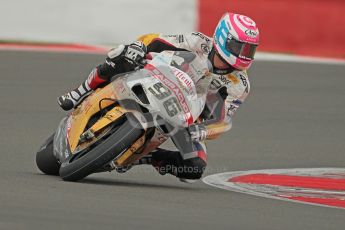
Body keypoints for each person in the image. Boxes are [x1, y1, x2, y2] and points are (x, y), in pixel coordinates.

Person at [57, 12, 260, 181]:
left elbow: (221, 121)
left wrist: (201, 131)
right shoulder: (197, 42)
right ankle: (81, 90)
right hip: (156, 78)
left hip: (186, 115)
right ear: (223, 38)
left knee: (196, 166)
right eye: (240, 47)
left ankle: (149, 157)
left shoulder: (240, 85)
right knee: (122, 54)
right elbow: (155, 40)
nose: (245, 54)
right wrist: (139, 47)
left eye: (250, 49)